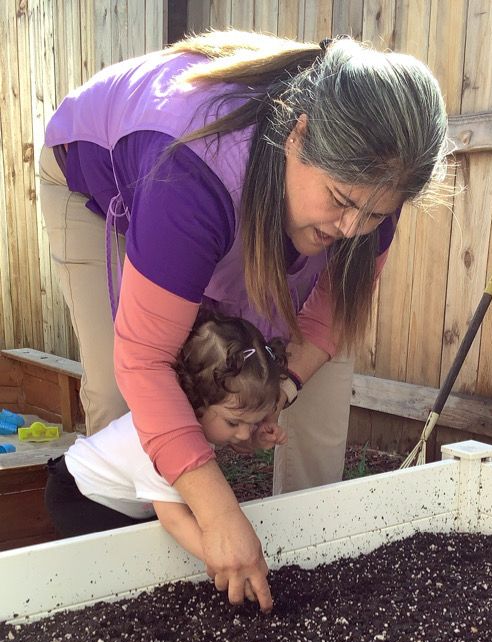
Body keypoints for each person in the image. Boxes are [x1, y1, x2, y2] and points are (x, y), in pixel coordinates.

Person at [39, 29, 448, 610]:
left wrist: (280, 389)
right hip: (92, 178)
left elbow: (327, 324)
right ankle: (132, 573)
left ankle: (308, 552)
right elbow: (144, 359)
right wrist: (219, 513)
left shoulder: (370, 201)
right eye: (340, 200)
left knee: (315, 392)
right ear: (298, 135)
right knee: (124, 398)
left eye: (375, 213)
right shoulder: (191, 175)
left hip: (227, 195)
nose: (354, 229)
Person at [45, 310, 287, 604]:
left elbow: (230, 434)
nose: (243, 434)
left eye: (255, 421)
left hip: (120, 494)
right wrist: (223, 560)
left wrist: (256, 435)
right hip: (79, 496)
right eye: (234, 424)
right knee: (121, 573)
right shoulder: (157, 444)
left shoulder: (201, 419)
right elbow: (173, 519)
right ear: (197, 402)